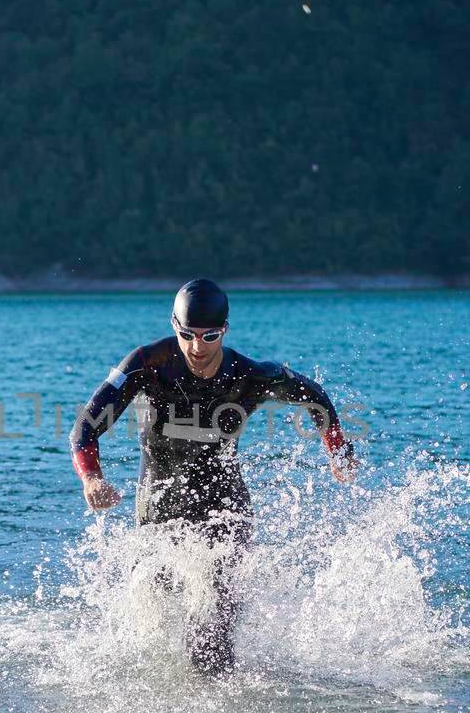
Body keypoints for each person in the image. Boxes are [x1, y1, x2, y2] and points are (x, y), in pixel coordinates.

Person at [69, 279, 357, 675]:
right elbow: (84, 429)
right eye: (187, 334)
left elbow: (314, 396)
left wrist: (338, 449)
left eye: (210, 336)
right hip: (159, 507)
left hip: (224, 509)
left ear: (226, 330)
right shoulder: (147, 365)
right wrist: (92, 479)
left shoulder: (249, 376)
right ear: (174, 324)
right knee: (149, 614)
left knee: (210, 634)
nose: (197, 347)